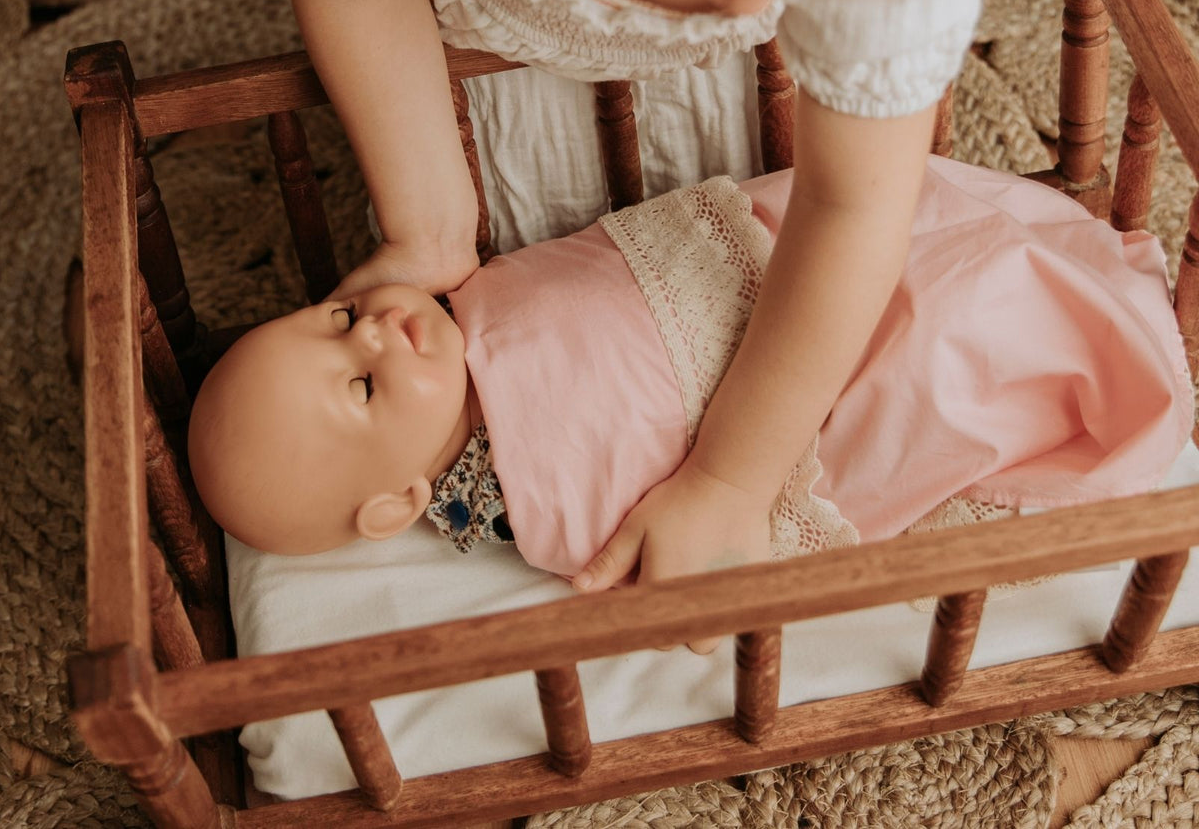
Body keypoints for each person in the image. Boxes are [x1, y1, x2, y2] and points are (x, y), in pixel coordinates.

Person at [222, 0, 1152, 646]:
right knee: (550, 221)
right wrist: (431, 217)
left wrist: (730, 476)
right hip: (470, 69)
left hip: (772, 153)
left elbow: (852, 200)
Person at [188, 160, 1191, 604]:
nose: (379, 330)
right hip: (830, 395)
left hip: (783, 268)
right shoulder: (547, 509)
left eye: (338, 318)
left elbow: (606, 272)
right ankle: (1128, 347)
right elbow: (692, 563)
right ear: (401, 500)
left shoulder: (468, 302)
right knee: (962, 341)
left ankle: (1089, 292)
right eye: (363, 388)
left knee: (928, 247)